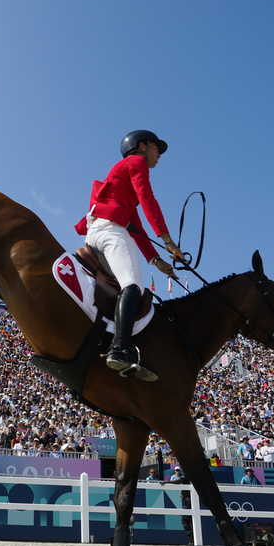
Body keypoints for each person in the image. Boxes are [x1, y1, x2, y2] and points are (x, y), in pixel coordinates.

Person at [74, 129, 185, 381]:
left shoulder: (124, 190)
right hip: (110, 231)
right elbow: (149, 199)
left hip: (98, 232)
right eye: (157, 148)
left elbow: (137, 229)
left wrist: (156, 261)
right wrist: (168, 241)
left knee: (126, 286)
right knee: (133, 285)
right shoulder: (136, 162)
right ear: (142, 146)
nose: (159, 154)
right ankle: (119, 347)